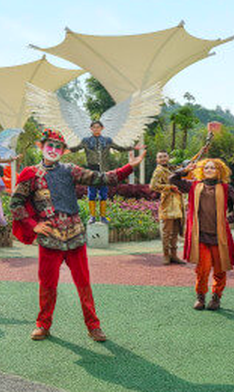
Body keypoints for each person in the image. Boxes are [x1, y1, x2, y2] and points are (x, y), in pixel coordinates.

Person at [11, 128, 145, 342]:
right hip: (49, 238)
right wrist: (33, 225)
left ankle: (94, 326)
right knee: (47, 285)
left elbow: (101, 178)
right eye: (49, 145)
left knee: (83, 284)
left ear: (63, 151)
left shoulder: (70, 170)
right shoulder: (30, 174)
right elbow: (15, 203)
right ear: (41, 146)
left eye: (58, 147)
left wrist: (129, 167)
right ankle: (43, 324)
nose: (53, 150)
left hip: (75, 236)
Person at [170, 158, 234, 311]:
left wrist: (228, 220)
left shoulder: (226, 188)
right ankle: (200, 297)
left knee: (219, 269)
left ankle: (216, 297)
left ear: (219, 171)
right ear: (202, 170)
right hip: (201, 236)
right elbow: (173, 179)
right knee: (202, 270)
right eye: (206, 168)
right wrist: (185, 170)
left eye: (213, 168)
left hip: (219, 237)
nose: (209, 170)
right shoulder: (193, 186)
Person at [69, 120, 139, 224]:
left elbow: (119, 148)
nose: (96, 129)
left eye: (98, 127)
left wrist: (132, 147)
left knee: (103, 194)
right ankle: (92, 216)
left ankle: (103, 216)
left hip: (104, 171)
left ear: (102, 128)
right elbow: (75, 148)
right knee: (91, 193)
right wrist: (63, 147)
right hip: (92, 170)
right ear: (91, 129)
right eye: (94, 127)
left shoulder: (107, 140)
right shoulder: (86, 141)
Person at [149, 151, 186, 265]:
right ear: (157, 160)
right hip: (168, 204)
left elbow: (185, 168)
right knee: (166, 232)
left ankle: (174, 255)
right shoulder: (159, 171)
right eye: (160, 157)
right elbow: (153, 186)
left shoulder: (172, 169)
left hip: (178, 203)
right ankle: (166, 254)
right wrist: (170, 187)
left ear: (168, 158)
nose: (163, 159)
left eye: (165, 156)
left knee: (175, 231)